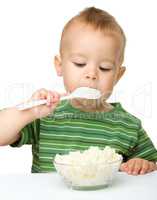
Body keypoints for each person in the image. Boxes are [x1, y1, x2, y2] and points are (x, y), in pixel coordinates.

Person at [0, 7, 157, 175]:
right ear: (60, 66)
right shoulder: (45, 115)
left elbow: (151, 164)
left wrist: (142, 164)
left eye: (104, 68)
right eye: (80, 63)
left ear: (118, 75)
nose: (91, 75)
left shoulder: (128, 125)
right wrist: (29, 112)